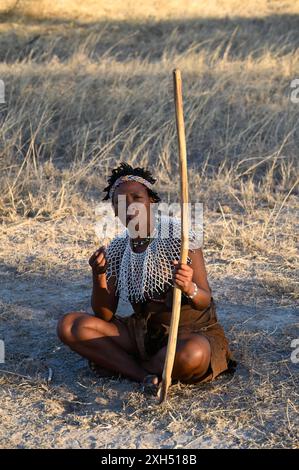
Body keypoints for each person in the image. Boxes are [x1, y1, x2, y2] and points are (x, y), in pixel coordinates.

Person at [57, 162, 236, 392]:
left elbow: (204, 300)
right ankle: (142, 374)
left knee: (192, 355)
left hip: (191, 334)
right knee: (70, 325)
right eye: (121, 203)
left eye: (136, 198)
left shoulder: (180, 238)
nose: (130, 206)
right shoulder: (119, 248)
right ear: (114, 211)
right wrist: (99, 274)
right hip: (143, 334)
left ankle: (118, 364)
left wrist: (189, 287)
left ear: (150, 201)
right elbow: (104, 314)